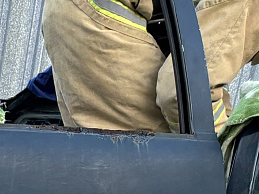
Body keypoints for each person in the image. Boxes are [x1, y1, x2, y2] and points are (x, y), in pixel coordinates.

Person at [42, 0, 259, 133]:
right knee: (153, 160)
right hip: (97, 15)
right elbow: (181, 91)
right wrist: (226, 158)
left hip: (78, 11)